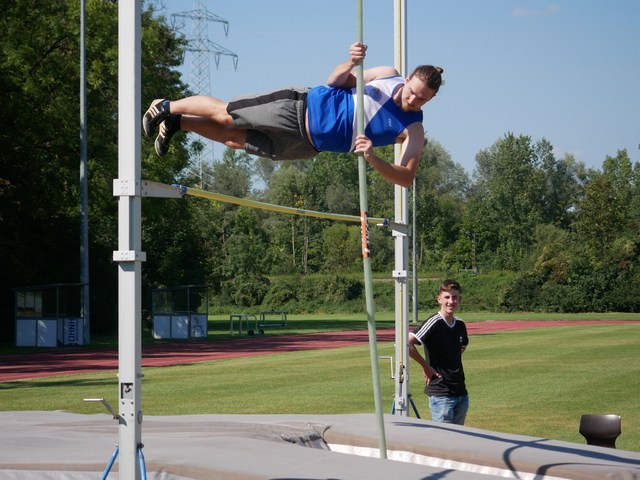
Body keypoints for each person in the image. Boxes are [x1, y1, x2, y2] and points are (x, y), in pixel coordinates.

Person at [142, 42, 444, 188]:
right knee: (226, 115)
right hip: (298, 109)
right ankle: (167, 105)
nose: (413, 100)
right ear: (407, 79)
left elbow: (406, 178)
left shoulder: (413, 129)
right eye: (412, 92)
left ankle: (178, 122)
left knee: (233, 141)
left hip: (307, 146)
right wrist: (350, 63)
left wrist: (373, 158)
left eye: (422, 99)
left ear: (432, 99)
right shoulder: (388, 74)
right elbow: (335, 81)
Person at [408, 279, 469, 425]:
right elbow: (407, 343)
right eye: (447, 297)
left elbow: (462, 346)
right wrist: (426, 366)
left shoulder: (460, 324)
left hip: (461, 392)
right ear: (439, 299)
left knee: (459, 436)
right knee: (442, 437)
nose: (451, 301)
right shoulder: (434, 322)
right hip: (441, 393)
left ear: (459, 300)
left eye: (454, 297)